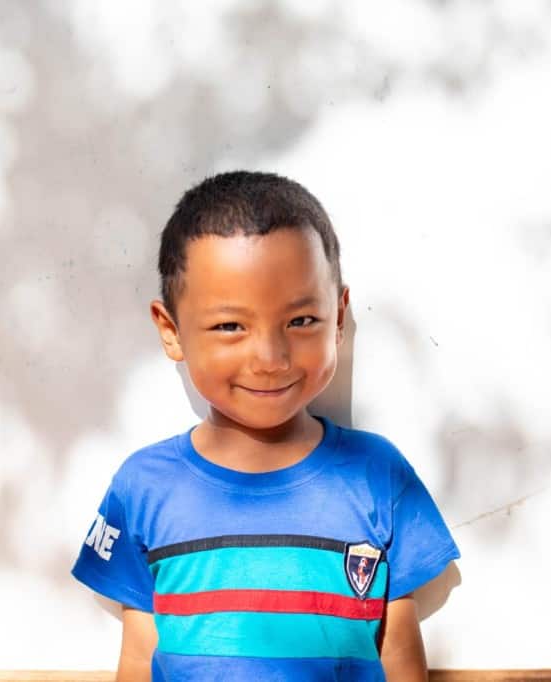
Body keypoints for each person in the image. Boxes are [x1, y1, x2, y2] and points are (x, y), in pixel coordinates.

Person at [71, 171, 460, 681]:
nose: (271, 358)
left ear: (338, 317)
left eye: (301, 322)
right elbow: (139, 659)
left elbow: (401, 660)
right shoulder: (143, 486)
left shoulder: (378, 475)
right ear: (171, 330)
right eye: (230, 326)